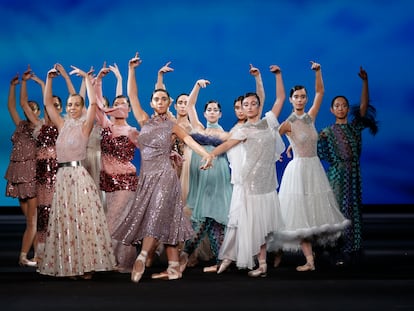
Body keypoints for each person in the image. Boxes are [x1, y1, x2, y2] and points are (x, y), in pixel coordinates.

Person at [111, 53, 213, 283]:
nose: (159, 102)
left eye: (163, 100)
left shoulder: (173, 125)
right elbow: (132, 95)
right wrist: (131, 70)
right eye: (156, 99)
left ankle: (143, 255)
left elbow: (189, 141)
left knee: (157, 214)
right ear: (152, 103)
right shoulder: (144, 120)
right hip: (147, 177)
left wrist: (208, 154)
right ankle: (174, 268)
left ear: (168, 104)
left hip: (166, 176)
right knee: (168, 219)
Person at [37, 64, 116, 279]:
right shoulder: (62, 124)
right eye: (69, 104)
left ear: (81, 107)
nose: (71, 107)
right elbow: (47, 103)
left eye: (75, 105)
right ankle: (71, 265)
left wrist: (87, 80)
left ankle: (87, 266)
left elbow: (92, 103)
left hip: (79, 178)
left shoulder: (85, 126)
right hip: (62, 178)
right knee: (66, 221)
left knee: (82, 221)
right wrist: (49, 78)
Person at [208, 65, 286, 277]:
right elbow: (226, 145)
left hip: (267, 182)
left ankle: (267, 260)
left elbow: (280, 98)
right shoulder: (242, 129)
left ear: (259, 106)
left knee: (266, 225)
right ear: (242, 108)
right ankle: (261, 264)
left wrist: (276, 76)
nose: (250, 107)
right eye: (246, 105)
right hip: (250, 182)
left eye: (253, 103)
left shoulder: (269, 121)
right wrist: (211, 155)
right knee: (255, 226)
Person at [276, 61, 350, 272]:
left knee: (313, 213)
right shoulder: (288, 123)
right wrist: (283, 151)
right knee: (298, 216)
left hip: (314, 168)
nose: (300, 99)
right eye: (296, 96)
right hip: (298, 171)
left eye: (302, 96)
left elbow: (320, 91)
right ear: (291, 100)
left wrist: (318, 71)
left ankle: (311, 256)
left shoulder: (310, 117)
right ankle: (307, 259)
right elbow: (269, 139)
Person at [317, 66, 378, 266]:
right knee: (336, 211)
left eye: (344, 105)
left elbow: (363, 108)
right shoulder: (327, 131)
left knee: (353, 211)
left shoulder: (354, 127)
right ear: (331, 110)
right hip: (337, 173)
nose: (341, 108)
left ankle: (352, 248)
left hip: (353, 174)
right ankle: (333, 249)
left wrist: (365, 82)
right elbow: (313, 147)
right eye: (337, 105)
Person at [179, 79, 233, 273]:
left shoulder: (226, 133)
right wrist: (196, 86)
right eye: (208, 109)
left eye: (215, 110)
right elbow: (190, 104)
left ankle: (220, 258)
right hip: (201, 175)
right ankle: (191, 256)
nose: (211, 112)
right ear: (204, 113)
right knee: (200, 215)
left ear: (220, 113)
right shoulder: (199, 128)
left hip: (218, 173)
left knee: (216, 215)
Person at [93, 63, 139, 273]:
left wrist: (170, 153)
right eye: (117, 102)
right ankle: (120, 261)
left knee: (113, 222)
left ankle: (114, 261)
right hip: (107, 180)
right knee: (116, 220)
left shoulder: (132, 130)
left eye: (124, 103)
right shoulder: (106, 125)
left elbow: (150, 149)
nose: (120, 105)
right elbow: (96, 104)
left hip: (126, 181)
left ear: (128, 109)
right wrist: (99, 80)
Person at [5, 69, 40, 267]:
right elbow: (12, 106)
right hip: (18, 175)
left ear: (36, 113)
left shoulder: (38, 128)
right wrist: (13, 86)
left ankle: (26, 256)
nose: (29, 110)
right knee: (29, 220)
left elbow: (21, 104)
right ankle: (36, 255)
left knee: (33, 220)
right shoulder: (20, 125)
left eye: (33, 108)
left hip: (32, 175)